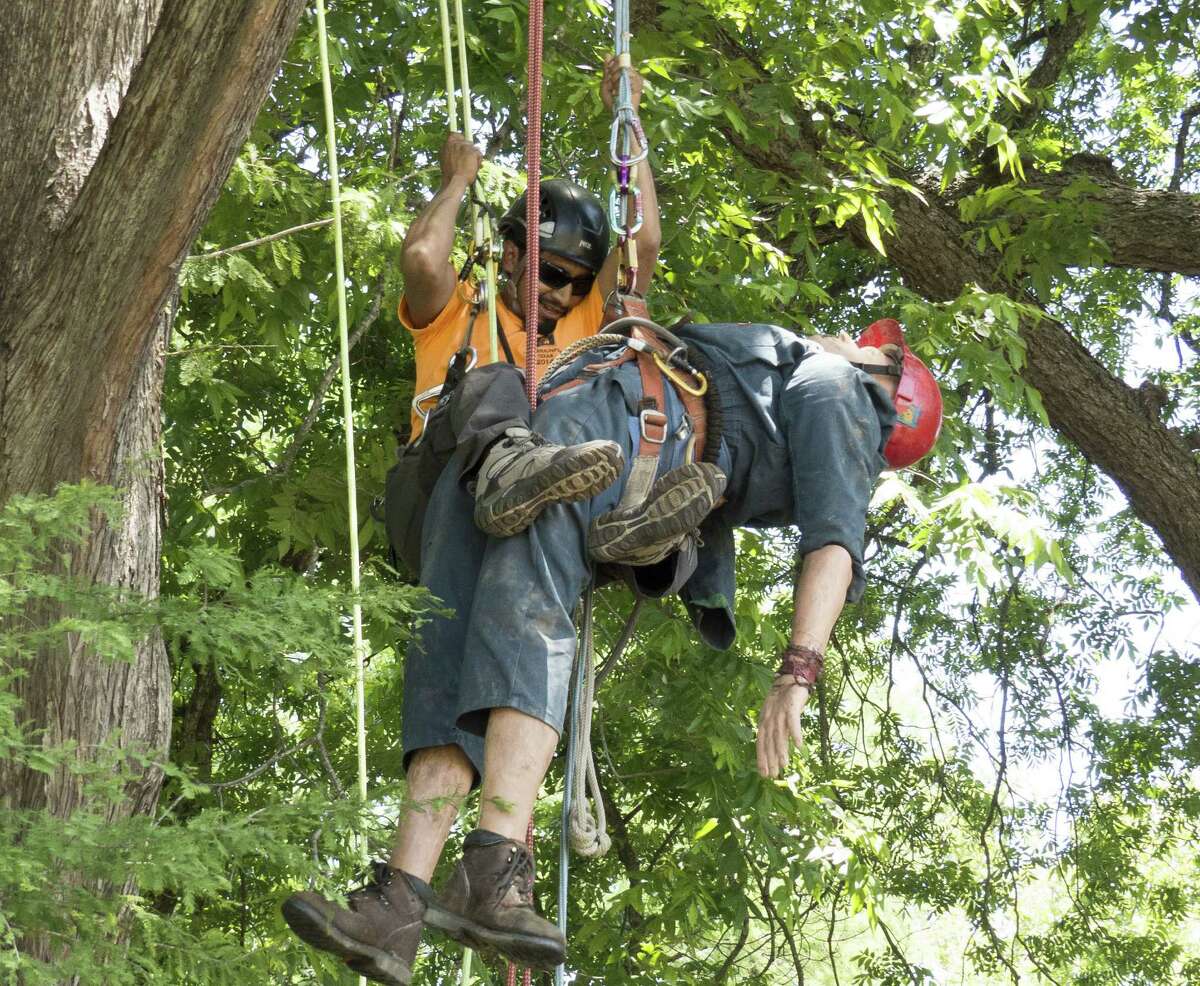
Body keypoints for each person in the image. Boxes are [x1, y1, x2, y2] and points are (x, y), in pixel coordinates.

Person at [282, 318, 942, 985]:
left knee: (491, 622)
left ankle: (429, 891)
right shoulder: (791, 369)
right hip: (565, 433)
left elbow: (835, 543)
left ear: (891, 389)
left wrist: (798, 671)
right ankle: (427, 893)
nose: (849, 339)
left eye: (878, 349)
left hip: (599, 430)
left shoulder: (847, 391)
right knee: (458, 652)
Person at [383, 56, 661, 572]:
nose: (565, 294)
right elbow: (422, 259)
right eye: (553, 274)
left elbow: (641, 240)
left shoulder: (582, 324)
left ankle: (642, 525)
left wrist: (628, 117)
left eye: (580, 283)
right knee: (498, 381)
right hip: (434, 494)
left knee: (641, 398)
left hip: (540, 502)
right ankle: (509, 467)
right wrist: (456, 181)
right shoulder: (461, 309)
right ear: (511, 257)